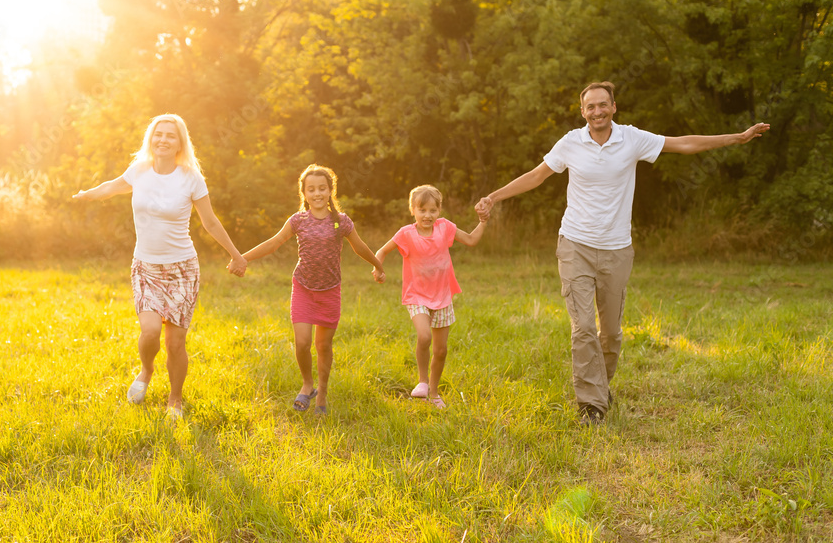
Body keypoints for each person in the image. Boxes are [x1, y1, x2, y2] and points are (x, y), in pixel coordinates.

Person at [475, 81, 769, 425]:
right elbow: (537, 176)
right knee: (583, 325)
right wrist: (494, 197)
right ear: (582, 111)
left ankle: (600, 386)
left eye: (603, 105)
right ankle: (591, 405)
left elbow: (683, 144)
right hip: (575, 245)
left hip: (616, 250)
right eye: (590, 107)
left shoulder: (631, 139)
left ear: (613, 107)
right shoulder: (571, 142)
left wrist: (736, 137)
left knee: (611, 333)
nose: (597, 111)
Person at [72, 113, 247, 420]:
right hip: (146, 267)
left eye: (170, 135)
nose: (163, 140)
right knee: (150, 331)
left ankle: (175, 400)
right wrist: (88, 194)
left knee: (175, 342)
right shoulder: (139, 170)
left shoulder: (191, 177)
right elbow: (112, 187)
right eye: (158, 134)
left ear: (180, 142)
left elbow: (210, 222)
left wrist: (236, 255)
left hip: (182, 269)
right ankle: (146, 370)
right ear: (151, 138)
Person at [241, 165, 386, 415]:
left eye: (322, 188)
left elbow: (360, 247)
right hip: (303, 287)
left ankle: (322, 391)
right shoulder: (298, 221)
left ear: (330, 191)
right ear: (304, 194)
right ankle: (308, 384)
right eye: (311, 189)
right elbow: (274, 243)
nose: (317, 193)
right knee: (302, 343)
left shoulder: (341, 222)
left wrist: (378, 266)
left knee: (323, 346)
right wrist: (243, 257)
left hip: (330, 290)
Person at [375, 185, 489, 410]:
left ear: (439, 211)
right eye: (422, 210)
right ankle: (423, 382)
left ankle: (434, 393)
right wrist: (378, 269)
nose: (427, 215)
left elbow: (471, 240)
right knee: (424, 336)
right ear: (413, 210)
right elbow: (381, 251)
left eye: (432, 210)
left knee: (441, 350)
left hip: (442, 296)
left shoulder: (444, 227)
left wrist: (483, 222)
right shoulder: (406, 234)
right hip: (416, 295)